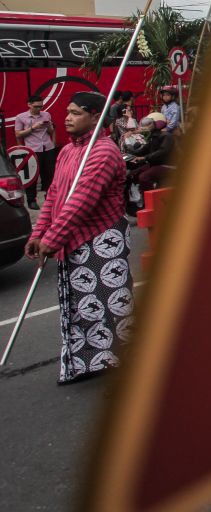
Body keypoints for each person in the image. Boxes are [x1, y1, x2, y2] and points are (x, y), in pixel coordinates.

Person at [24, 92, 130, 384]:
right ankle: (88, 363)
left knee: (108, 304)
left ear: (96, 117)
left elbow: (80, 202)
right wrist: (38, 233)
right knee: (79, 305)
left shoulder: (104, 152)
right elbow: (55, 197)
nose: (67, 118)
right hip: (71, 239)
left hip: (100, 238)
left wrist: (51, 240)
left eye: (76, 113)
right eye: (67, 112)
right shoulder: (67, 152)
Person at [14, 94, 57, 209]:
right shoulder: (21, 117)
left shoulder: (46, 114)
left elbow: (51, 131)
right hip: (32, 150)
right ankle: (31, 200)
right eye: (36, 106)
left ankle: (50, 198)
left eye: (41, 106)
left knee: (49, 174)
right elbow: (18, 134)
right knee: (32, 177)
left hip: (47, 148)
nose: (39, 109)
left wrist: (49, 127)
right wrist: (33, 127)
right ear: (29, 105)